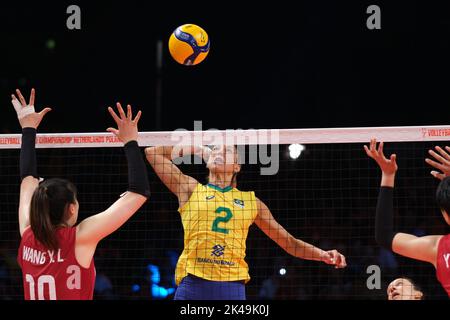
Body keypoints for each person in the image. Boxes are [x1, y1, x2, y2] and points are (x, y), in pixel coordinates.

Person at [145, 144, 346, 300]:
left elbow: (289, 243)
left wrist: (323, 255)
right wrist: (196, 149)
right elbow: (153, 153)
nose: (219, 151)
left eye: (228, 150)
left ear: (237, 166)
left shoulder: (252, 203)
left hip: (232, 286)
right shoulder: (190, 189)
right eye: (215, 149)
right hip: (193, 284)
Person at [13, 89, 150, 300]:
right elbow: (139, 193)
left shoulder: (27, 232)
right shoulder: (79, 239)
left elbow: (27, 179)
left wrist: (28, 128)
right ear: (71, 208)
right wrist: (130, 141)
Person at [365, 138, 450, 297]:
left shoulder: (438, 248)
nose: (392, 289)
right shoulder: (438, 247)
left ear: (445, 215)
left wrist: (388, 175)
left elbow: (384, 236)